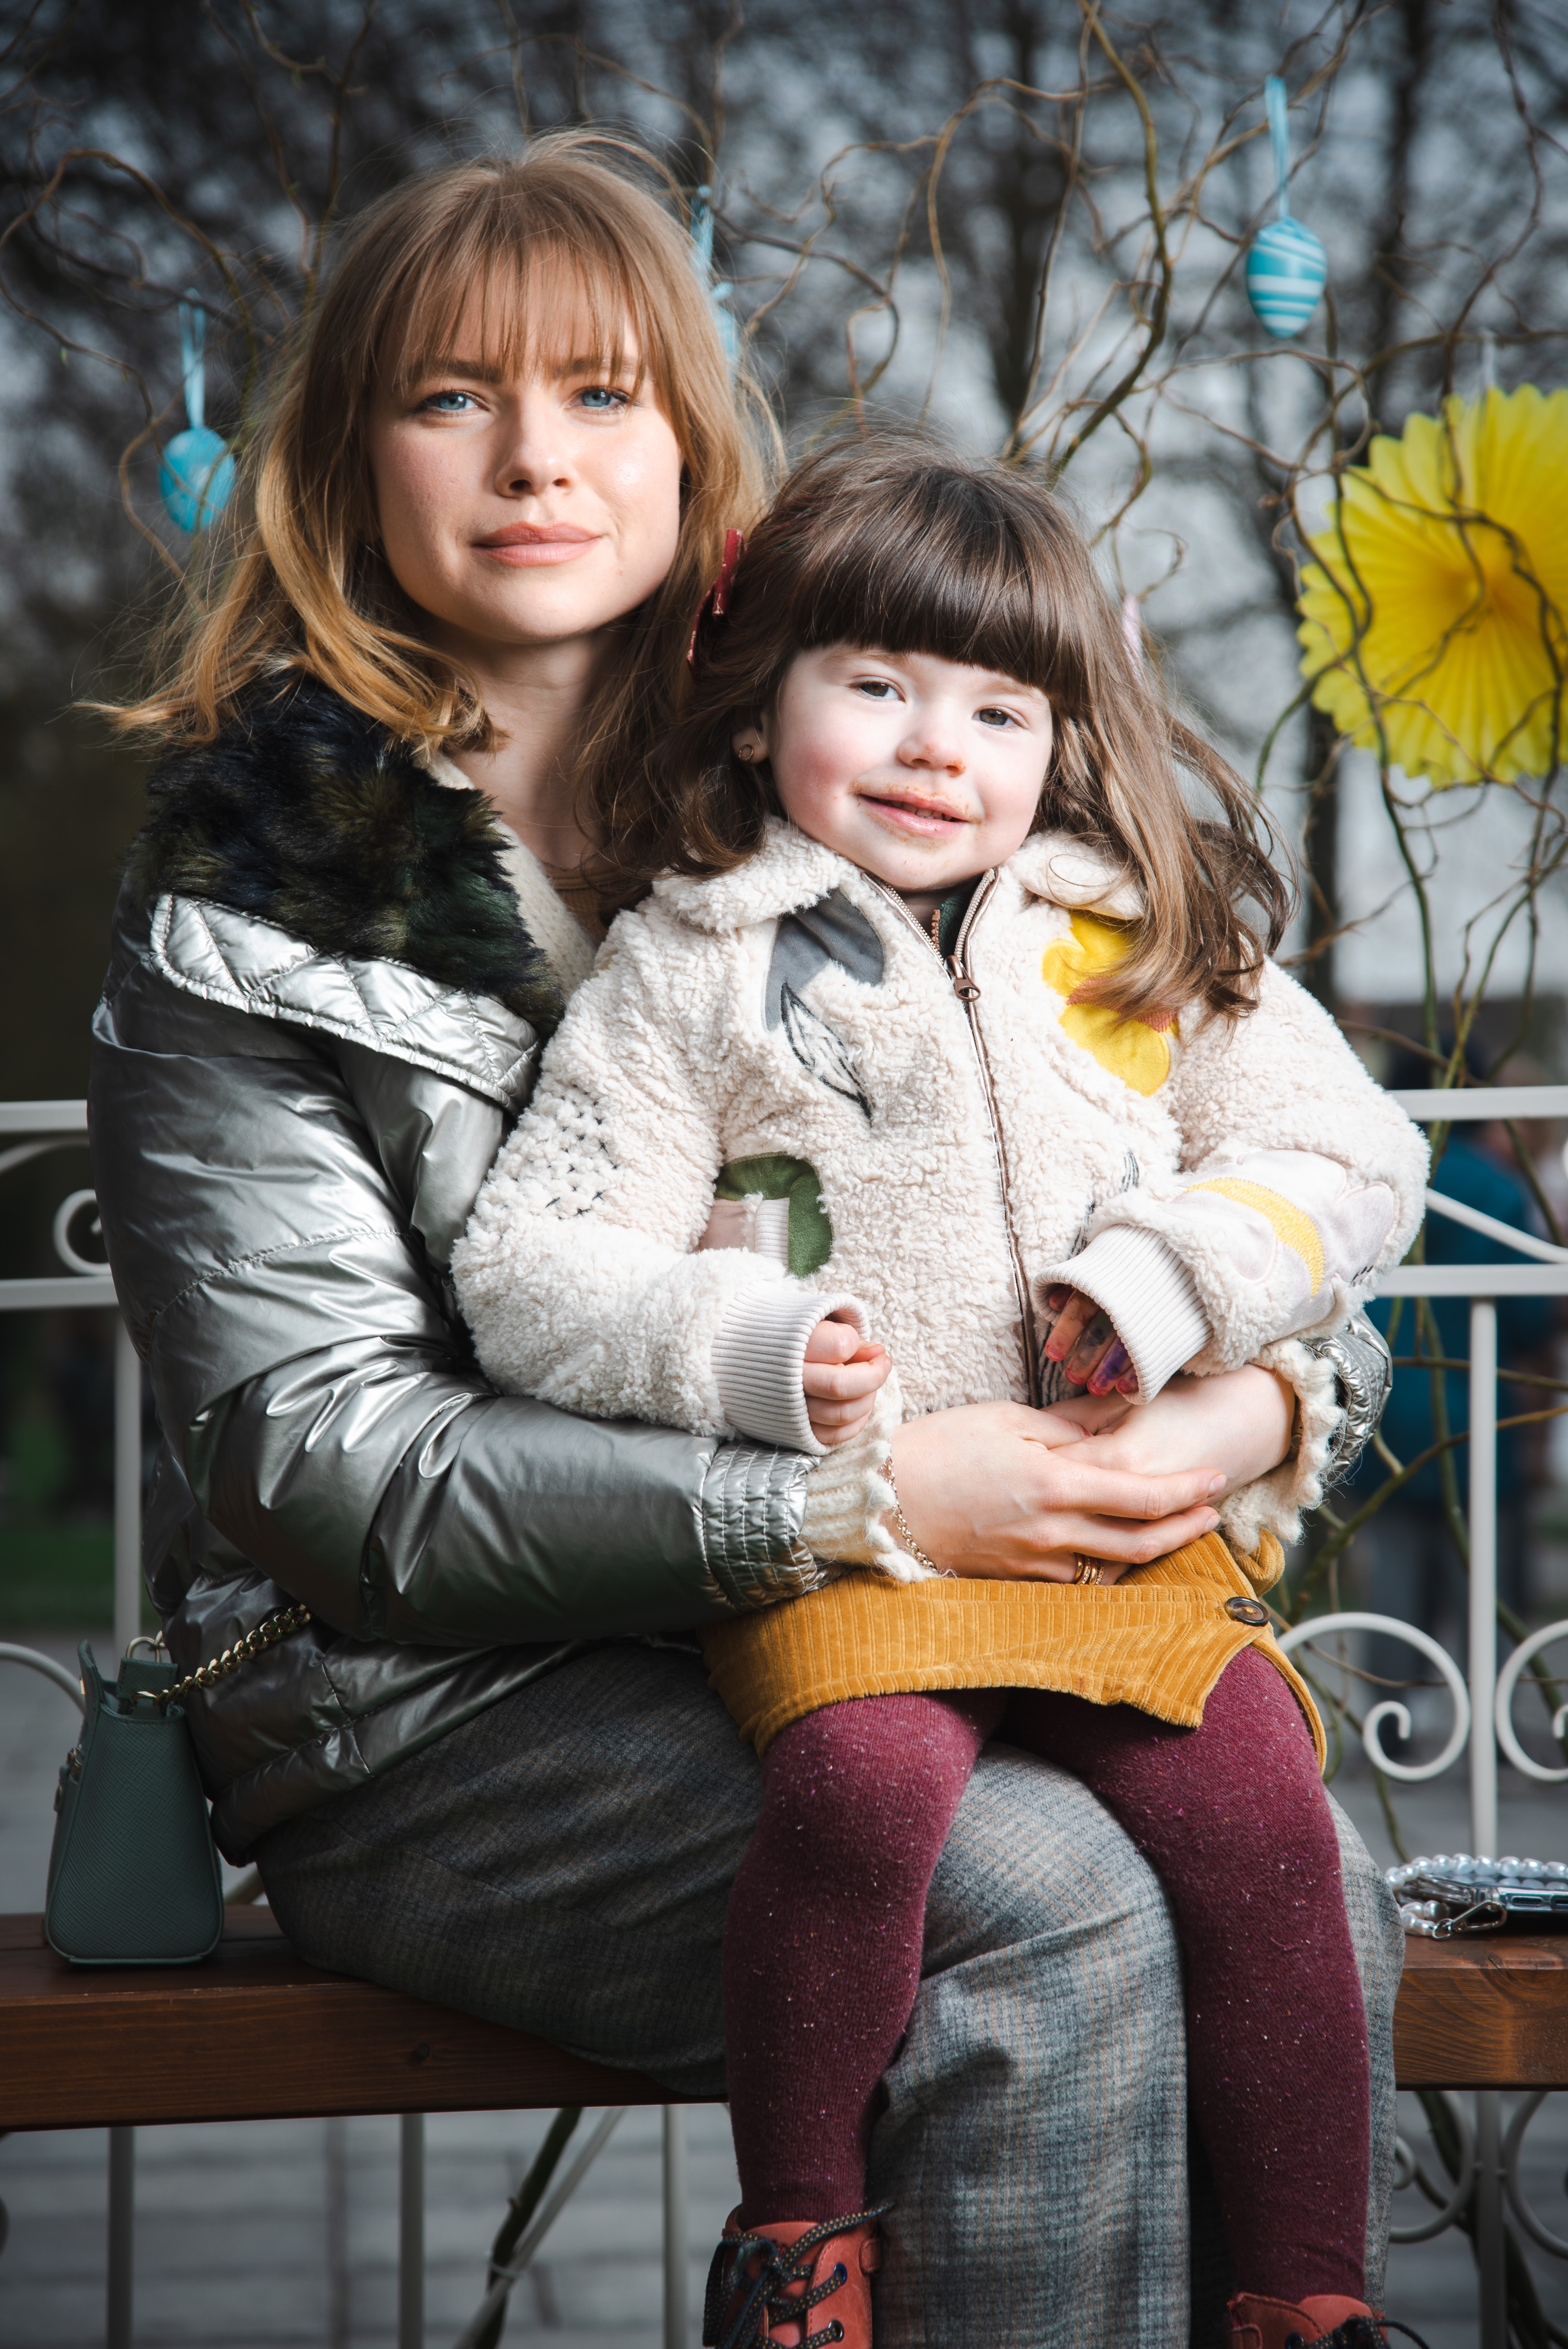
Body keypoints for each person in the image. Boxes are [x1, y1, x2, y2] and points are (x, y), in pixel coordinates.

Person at [85, 141, 1406, 2349]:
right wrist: (848, 1502)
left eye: (601, 393)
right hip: (436, 1710)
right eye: (451, 398)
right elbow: (322, 1459)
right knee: (1049, 1908)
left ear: (694, 445)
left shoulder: (868, 776)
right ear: (344, 465)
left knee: (1301, 1888)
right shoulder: (254, 906)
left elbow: (1257, 1163)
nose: (535, 459)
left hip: (928, 1618)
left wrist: (1260, 1405)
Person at [454, 439, 1428, 2349]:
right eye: (876, 684)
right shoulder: (693, 963)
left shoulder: (1137, 941)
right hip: (859, 1545)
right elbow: (532, 1266)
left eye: (996, 708)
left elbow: (1348, 1158)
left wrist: (1172, 1282)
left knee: (1267, 1828)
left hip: (1116, 1537)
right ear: (760, 710)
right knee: (863, 1788)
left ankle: (1303, 2291)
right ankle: (799, 2244)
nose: (932, 748)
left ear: (1061, 739)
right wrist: (751, 1356)